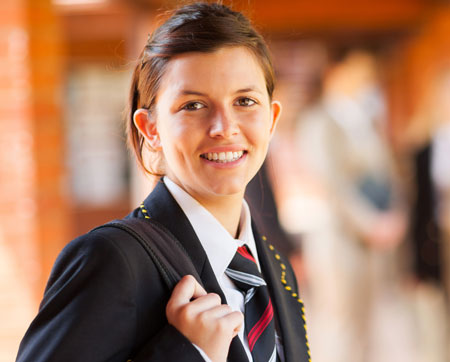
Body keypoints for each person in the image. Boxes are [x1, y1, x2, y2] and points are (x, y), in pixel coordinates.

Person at [16, 3, 310, 362]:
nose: (225, 127)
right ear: (151, 129)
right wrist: (188, 353)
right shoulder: (112, 261)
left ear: (272, 119)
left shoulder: (274, 268)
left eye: (245, 101)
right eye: (193, 106)